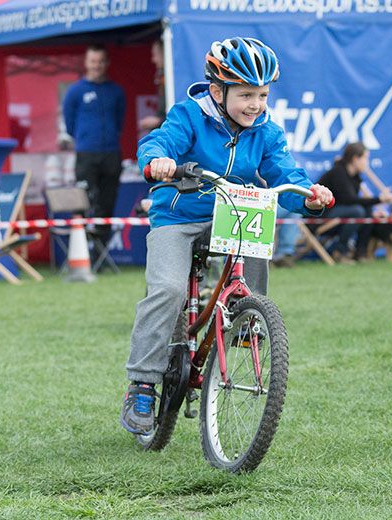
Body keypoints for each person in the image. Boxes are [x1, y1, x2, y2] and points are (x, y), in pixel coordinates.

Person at [120, 37, 334, 435]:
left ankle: (247, 321)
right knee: (167, 289)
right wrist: (159, 162)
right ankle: (143, 383)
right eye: (246, 94)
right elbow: (158, 142)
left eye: (263, 95)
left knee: (257, 237)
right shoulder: (189, 115)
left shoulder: (267, 132)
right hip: (178, 216)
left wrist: (311, 197)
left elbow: (285, 173)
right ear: (218, 92)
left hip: (231, 213)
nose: (256, 104)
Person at [62, 44, 126, 248]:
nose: (96, 66)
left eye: (100, 62)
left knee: (107, 202)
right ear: (86, 63)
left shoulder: (116, 91)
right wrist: (85, 138)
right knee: (83, 199)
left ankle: (100, 250)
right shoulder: (75, 91)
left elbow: (120, 120)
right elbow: (69, 123)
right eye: (92, 61)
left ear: (106, 63)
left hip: (111, 153)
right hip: (86, 153)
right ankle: (79, 251)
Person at [316, 142, 392, 263]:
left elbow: (354, 200)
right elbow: (348, 200)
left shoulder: (355, 176)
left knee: (367, 210)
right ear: (355, 159)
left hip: (340, 214)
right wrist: (380, 199)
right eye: (365, 158)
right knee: (357, 211)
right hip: (320, 216)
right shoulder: (338, 172)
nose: (367, 163)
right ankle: (340, 251)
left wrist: (376, 204)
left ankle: (361, 252)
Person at [137, 40, 166, 132]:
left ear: (165, 53)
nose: (153, 60)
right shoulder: (161, 75)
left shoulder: (176, 79)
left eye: (155, 55)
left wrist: (159, 120)